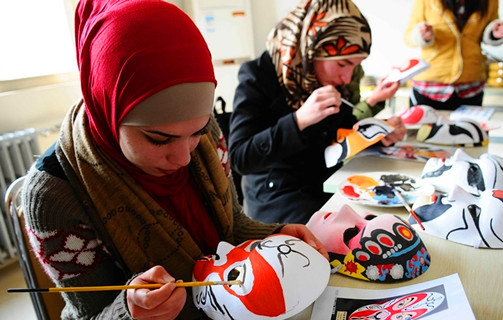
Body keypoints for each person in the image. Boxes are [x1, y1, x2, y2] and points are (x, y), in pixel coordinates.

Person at [20, 0, 328, 319]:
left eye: (194, 133)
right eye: (159, 139)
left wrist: (275, 233)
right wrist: (129, 311)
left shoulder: (206, 137)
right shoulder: (54, 196)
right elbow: (89, 314)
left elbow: (230, 227)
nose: (183, 158)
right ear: (108, 109)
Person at [228, 0, 406, 224]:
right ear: (312, 49)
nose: (347, 78)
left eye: (355, 66)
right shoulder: (258, 74)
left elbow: (339, 133)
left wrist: (378, 134)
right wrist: (298, 120)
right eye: (343, 64)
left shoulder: (326, 77)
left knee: (389, 221)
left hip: (326, 183)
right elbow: (240, 158)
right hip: (278, 197)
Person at [404, 0, 503, 110]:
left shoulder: (491, 1)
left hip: (471, 86)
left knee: (468, 127)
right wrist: (421, 34)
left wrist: (495, 33)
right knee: (424, 128)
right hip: (429, 86)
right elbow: (409, 36)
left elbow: (488, 30)